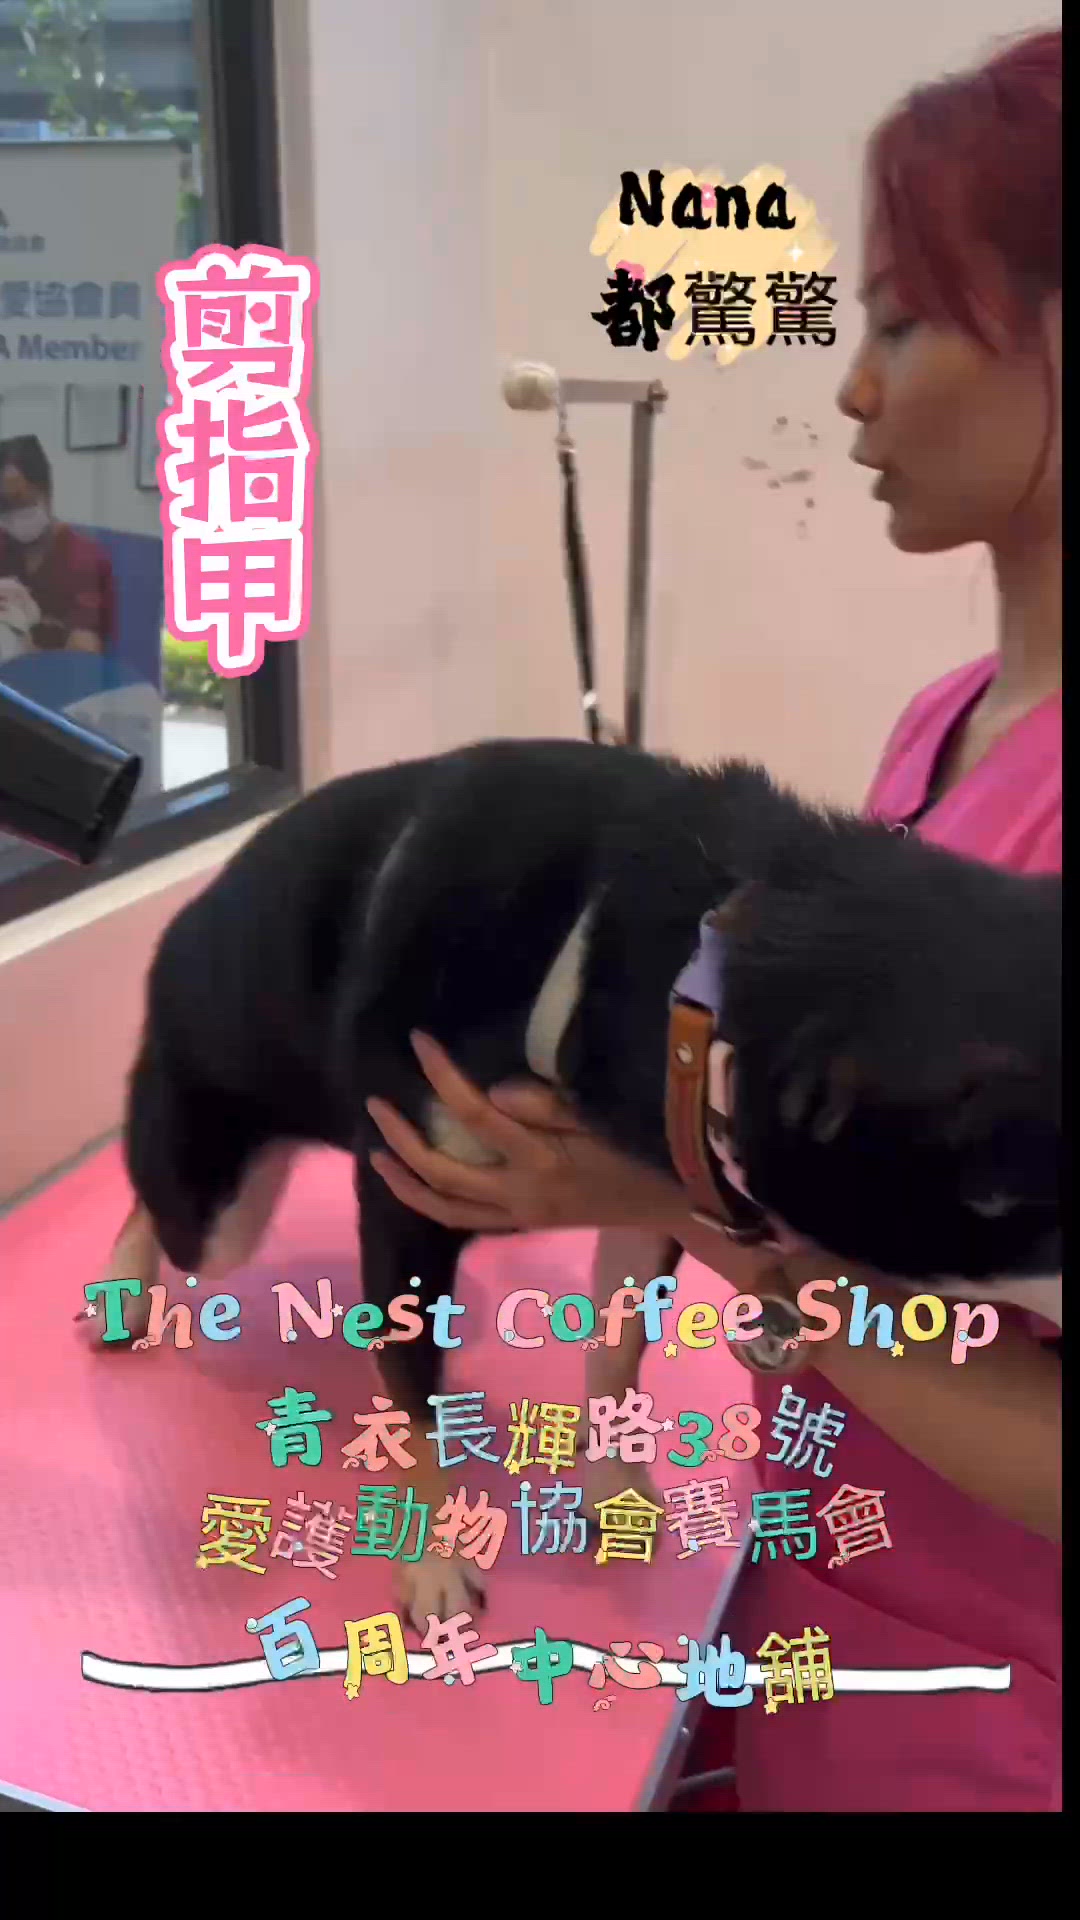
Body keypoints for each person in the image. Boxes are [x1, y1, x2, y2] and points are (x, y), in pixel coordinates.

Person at [363, 26, 1062, 1813]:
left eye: (904, 325)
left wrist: (718, 1235)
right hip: (828, 1601)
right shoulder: (943, 734)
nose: (855, 395)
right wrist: (667, 1193)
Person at [0, 435, 115, 657]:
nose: (11, 514)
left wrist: (34, 631)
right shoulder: (4, 545)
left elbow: (86, 652)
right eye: (2, 506)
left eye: (19, 500)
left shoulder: (83, 558)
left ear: (46, 492)